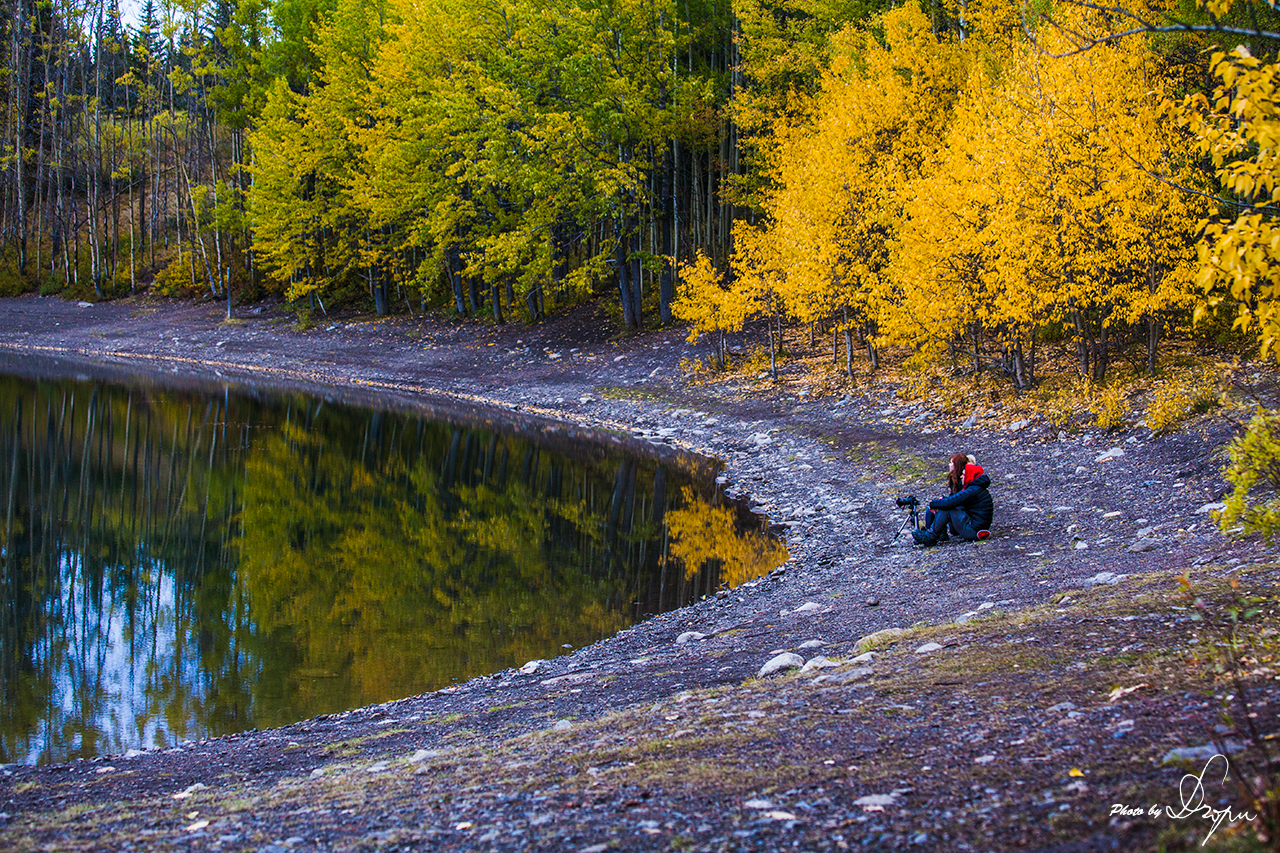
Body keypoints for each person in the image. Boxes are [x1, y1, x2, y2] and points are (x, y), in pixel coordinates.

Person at [912, 452, 993, 546]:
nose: (962, 476)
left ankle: (930, 537)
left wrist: (933, 504)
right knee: (946, 506)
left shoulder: (973, 490)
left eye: (964, 474)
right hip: (974, 527)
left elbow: (953, 501)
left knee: (947, 509)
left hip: (973, 531)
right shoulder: (975, 488)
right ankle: (932, 534)